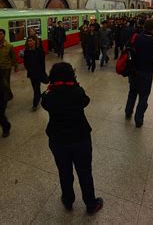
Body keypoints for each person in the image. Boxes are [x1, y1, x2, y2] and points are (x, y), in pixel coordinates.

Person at [41, 62, 104, 215]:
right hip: (80, 138)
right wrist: (74, 85)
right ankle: (90, 204)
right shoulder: (77, 92)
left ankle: (68, 200)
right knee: (84, 172)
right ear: (72, 76)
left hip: (58, 140)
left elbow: (45, 104)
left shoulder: (49, 96)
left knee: (64, 171)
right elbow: (86, 101)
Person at [125, 19, 153, 128]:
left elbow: (126, 48)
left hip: (133, 71)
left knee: (132, 92)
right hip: (146, 72)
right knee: (143, 96)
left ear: (143, 27)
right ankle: (138, 119)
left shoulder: (135, 37)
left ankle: (128, 112)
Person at [0, 29, 18, 101]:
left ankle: (5, 98)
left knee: (6, 83)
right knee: (0, 84)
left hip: (6, 67)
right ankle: (9, 95)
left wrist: (16, 66)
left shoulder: (9, 46)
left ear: (4, 35)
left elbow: (13, 57)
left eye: (1, 34)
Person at [23, 37, 46, 111]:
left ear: (35, 42)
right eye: (28, 41)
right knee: (35, 87)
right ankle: (39, 95)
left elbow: (42, 63)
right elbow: (25, 63)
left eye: (31, 40)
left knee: (36, 88)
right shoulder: (26, 52)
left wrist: (43, 72)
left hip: (38, 72)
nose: (29, 42)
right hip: (31, 73)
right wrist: (29, 69)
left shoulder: (40, 51)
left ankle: (35, 104)